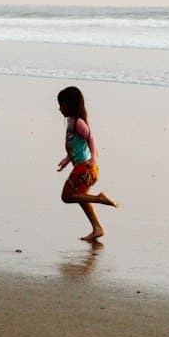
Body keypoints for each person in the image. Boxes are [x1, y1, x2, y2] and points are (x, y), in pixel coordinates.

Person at [56, 85, 118, 242]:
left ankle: (99, 198)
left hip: (85, 168)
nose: (59, 109)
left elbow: (91, 139)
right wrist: (67, 159)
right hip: (83, 167)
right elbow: (76, 146)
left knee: (66, 197)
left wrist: (94, 159)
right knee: (82, 198)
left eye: (61, 105)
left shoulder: (78, 123)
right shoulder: (71, 122)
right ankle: (97, 228)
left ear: (70, 105)